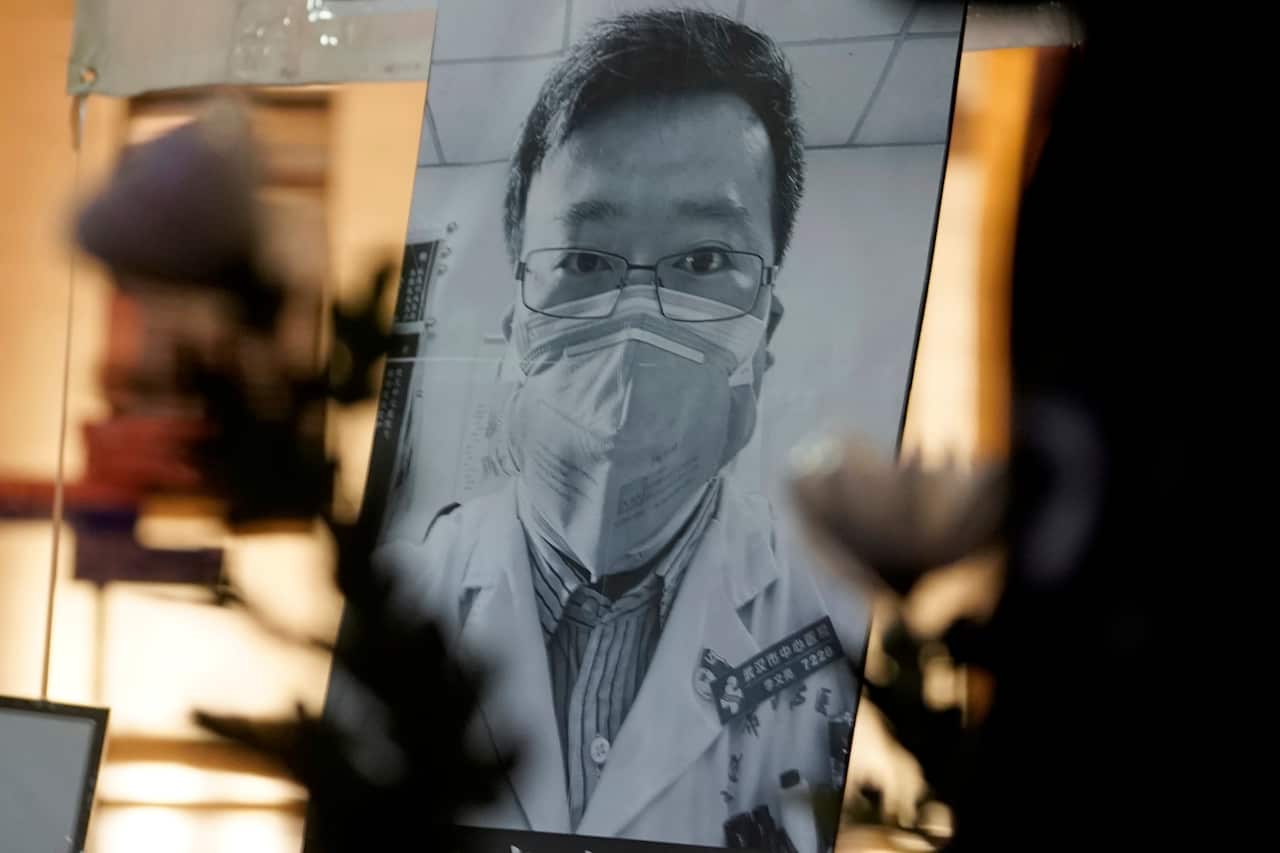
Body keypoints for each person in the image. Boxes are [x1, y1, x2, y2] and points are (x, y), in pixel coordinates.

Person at [375, 10, 866, 850]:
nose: (638, 316)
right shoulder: (389, 608)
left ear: (766, 329)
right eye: (585, 260)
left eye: (705, 260)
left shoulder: (846, 635)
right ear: (518, 325)